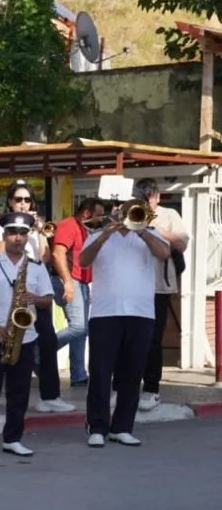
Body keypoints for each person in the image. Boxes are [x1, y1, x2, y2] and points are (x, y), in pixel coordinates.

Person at [79, 191, 170, 447]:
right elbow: (83, 262)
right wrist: (105, 233)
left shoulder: (149, 232)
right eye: (118, 205)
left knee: (133, 371)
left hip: (140, 312)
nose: (122, 210)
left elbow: (164, 253)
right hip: (105, 312)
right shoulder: (97, 233)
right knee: (100, 371)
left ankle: (122, 427)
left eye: (129, 206)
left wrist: (140, 229)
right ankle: (97, 427)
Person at [0, 212, 55, 458]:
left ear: (27, 236)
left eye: (22, 233)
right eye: (12, 233)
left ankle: (13, 438)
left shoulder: (37, 268)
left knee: (20, 391)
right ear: (5, 236)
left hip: (26, 337)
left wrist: (34, 298)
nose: (18, 238)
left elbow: (49, 301)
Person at [0, 179, 73, 413]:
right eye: (18, 199)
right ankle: (10, 393)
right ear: (10, 202)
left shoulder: (37, 226)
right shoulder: (2, 225)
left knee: (47, 342)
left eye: (27, 200)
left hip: (37, 289)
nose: (23, 204)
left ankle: (50, 396)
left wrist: (39, 232)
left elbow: (45, 258)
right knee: (11, 343)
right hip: (12, 290)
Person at [137, 178, 189, 411]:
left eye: (149, 195)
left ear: (157, 196)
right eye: (142, 195)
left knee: (153, 341)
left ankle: (151, 389)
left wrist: (156, 229)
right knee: (132, 340)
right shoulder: (131, 211)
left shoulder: (169, 215)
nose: (147, 199)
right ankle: (124, 386)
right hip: (134, 286)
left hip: (159, 286)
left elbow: (182, 243)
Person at [49, 197, 105, 387]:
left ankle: (79, 374)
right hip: (70, 280)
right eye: (98, 215)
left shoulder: (86, 229)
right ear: (87, 213)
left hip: (81, 282)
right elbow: (57, 254)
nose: (101, 219)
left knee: (81, 332)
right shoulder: (68, 225)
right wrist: (67, 282)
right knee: (79, 327)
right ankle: (40, 352)